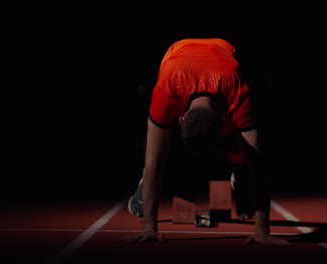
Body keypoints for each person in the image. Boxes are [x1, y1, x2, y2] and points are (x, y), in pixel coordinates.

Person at [123, 38, 289, 246]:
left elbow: (258, 163)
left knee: (242, 147)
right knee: (154, 150)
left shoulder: (238, 92)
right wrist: (261, 229)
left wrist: (262, 230)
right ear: (180, 118)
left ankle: (239, 171)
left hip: (224, 55)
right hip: (177, 54)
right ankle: (144, 183)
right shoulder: (166, 90)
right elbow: (153, 162)